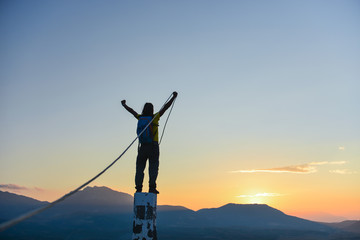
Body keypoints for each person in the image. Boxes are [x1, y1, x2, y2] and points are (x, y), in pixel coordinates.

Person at [121, 92, 178, 194]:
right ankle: (152, 187)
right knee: (153, 167)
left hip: (142, 147)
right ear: (152, 110)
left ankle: (138, 188)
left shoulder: (140, 117)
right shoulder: (155, 117)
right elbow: (165, 107)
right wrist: (173, 97)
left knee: (140, 168)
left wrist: (124, 104)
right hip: (153, 146)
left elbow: (132, 111)